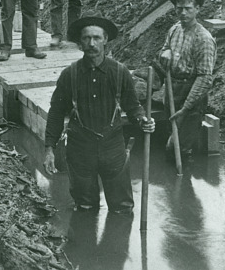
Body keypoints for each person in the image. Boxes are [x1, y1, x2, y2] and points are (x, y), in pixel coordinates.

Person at [44, 15, 155, 213]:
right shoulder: (69, 75)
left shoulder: (120, 72)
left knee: (122, 209)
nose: (92, 43)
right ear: (80, 42)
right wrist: (49, 148)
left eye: (96, 38)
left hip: (112, 147)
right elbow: (56, 113)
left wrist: (142, 120)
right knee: (85, 208)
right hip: (80, 148)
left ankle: (118, 242)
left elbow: (133, 106)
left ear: (105, 40)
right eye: (86, 38)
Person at [159, 0, 216, 157]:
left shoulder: (203, 38)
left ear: (197, 9)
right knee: (173, 136)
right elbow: (163, 51)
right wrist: (165, 52)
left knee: (180, 147)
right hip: (172, 90)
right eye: (179, 8)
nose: (183, 13)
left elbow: (205, 78)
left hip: (191, 94)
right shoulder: (174, 30)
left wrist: (185, 108)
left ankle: (184, 179)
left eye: (188, 8)